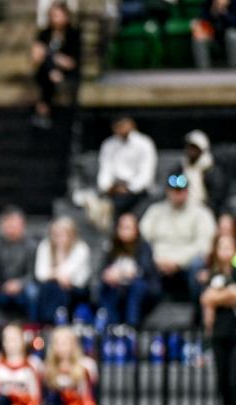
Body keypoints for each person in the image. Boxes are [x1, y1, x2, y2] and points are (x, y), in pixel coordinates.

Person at [139, 173, 216, 301]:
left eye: (181, 190)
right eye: (174, 191)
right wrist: (157, 259)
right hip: (157, 262)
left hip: (186, 265)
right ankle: (137, 316)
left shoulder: (201, 213)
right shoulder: (155, 211)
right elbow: (142, 238)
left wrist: (178, 262)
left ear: (187, 191)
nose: (178, 194)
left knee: (199, 264)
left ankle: (197, 311)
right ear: (168, 191)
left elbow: (204, 244)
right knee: (141, 259)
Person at [200, 233, 236, 405]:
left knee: (234, 379)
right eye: (221, 246)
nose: (225, 251)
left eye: (229, 246)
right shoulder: (212, 273)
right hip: (219, 333)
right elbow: (206, 298)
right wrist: (226, 296)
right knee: (222, 381)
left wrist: (217, 298)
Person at [97, 212, 160, 327]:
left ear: (136, 230)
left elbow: (144, 270)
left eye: (128, 228)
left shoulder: (143, 246)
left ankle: (132, 325)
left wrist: (123, 274)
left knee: (137, 286)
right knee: (106, 287)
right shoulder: (112, 246)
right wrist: (108, 275)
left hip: (142, 288)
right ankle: (111, 324)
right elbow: (102, 269)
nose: (124, 231)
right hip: (117, 286)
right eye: (122, 227)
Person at [0, 205, 38, 322]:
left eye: (14, 225)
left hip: (23, 286)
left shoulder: (32, 246)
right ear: (2, 225)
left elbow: (34, 274)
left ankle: (34, 325)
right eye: (8, 225)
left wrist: (20, 284)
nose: (11, 228)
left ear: (22, 224)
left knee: (33, 292)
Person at [30, 2, 80, 129]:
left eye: (57, 15)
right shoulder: (44, 33)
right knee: (47, 70)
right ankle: (44, 110)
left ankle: (43, 109)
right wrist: (52, 60)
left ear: (66, 16)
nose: (54, 19)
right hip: (47, 72)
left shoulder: (73, 34)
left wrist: (51, 55)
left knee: (48, 64)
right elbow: (36, 57)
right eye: (52, 15)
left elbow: (71, 62)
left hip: (67, 72)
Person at [33, 216, 91, 325]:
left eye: (62, 234)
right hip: (52, 286)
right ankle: (49, 322)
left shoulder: (81, 248)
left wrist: (54, 272)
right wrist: (57, 275)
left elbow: (69, 273)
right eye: (55, 234)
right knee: (50, 288)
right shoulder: (45, 245)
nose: (58, 238)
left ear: (71, 235)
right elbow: (40, 274)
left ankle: (53, 323)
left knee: (56, 290)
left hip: (77, 288)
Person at [95, 116, 156, 218]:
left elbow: (146, 175)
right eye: (118, 126)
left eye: (123, 124)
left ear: (132, 125)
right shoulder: (108, 144)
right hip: (115, 190)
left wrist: (129, 188)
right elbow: (105, 171)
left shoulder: (144, 143)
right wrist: (108, 187)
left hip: (138, 190)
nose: (121, 128)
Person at [42, 326, 97, 405]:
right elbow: (47, 399)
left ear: (73, 345)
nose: (61, 347)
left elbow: (88, 397)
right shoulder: (47, 368)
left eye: (65, 343)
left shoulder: (85, 366)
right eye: (57, 343)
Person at [170, 130, 229, 216]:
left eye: (194, 148)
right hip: (181, 209)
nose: (191, 150)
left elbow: (218, 197)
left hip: (206, 211)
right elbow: (171, 187)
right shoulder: (179, 168)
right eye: (189, 147)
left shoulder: (211, 170)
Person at [191, 0, 236, 70]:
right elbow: (201, 18)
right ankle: (204, 71)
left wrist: (224, 11)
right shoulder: (208, 3)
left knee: (232, 35)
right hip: (212, 35)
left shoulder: (234, 3)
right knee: (199, 37)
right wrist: (214, 10)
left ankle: (234, 68)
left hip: (228, 36)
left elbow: (233, 23)